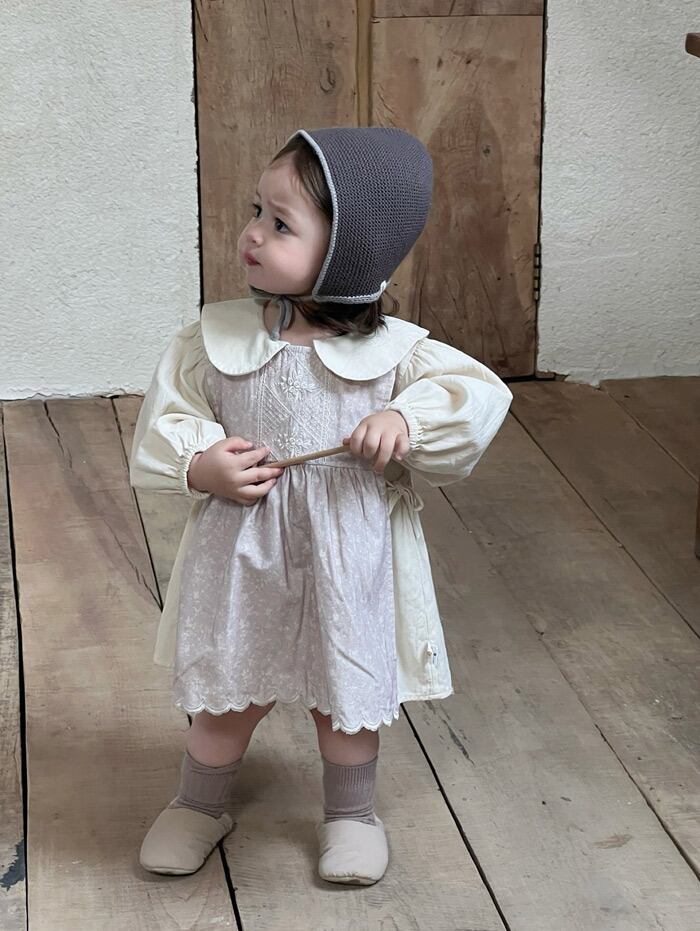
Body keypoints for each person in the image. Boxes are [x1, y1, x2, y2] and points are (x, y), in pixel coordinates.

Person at [129, 126, 513, 885]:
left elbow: (473, 400)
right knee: (225, 693)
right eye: (257, 211)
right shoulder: (216, 340)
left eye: (280, 224)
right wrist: (202, 463)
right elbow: (170, 416)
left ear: (346, 253)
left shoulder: (397, 355)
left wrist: (405, 421)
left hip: (348, 555)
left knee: (345, 699)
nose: (252, 233)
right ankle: (199, 802)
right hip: (244, 554)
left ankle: (352, 815)